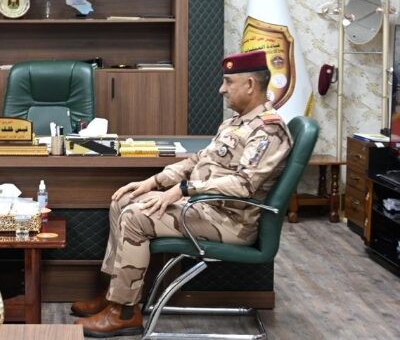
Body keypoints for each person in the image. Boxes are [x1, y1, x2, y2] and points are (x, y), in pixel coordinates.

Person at [71, 50, 293, 337]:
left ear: (250, 84)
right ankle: (115, 293)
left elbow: (244, 184)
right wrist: (153, 182)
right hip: (206, 209)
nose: (221, 89)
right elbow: (198, 160)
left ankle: (124, 312)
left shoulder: (268, 130)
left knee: (135, 216)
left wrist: (184, 189)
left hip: (230, 221)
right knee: (124, 200)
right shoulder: (236, 123)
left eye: (228, 82)